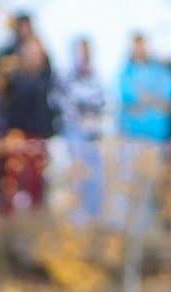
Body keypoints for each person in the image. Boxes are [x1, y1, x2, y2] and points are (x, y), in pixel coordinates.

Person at [115, 34, 171, 230]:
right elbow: (129, 96)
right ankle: (125, 226)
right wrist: (151, 100)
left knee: (152, 184)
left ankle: (146, 227)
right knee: (128, 183)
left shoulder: (161, 71)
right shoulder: (125, 71)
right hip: (131, 136)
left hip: (156, 137)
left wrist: (149, 99)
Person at [0, 15, 55, 214]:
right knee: (12, 179)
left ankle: (35, 219)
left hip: (39, 136)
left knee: (36, 180)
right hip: (17, 133)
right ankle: (9, 221)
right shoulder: (14, 77)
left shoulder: (47, 78)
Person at [56, 37, 108, 222]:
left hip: (93, 134)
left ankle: (92, 217)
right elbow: (62, 101)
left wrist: (93, 120)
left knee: (95, 175)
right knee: (75, 173)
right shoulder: (66, 76)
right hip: (73, 132)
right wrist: (80, 119)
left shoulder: (95, 76)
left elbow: (102, 101)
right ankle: (72, 218)